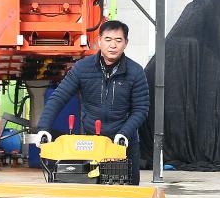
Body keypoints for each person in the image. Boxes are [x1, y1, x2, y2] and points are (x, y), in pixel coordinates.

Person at [37, 20, 149, 185]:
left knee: (126, 192)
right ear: (99, 41)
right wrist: (43, 127)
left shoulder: (136, 72)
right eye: (108, 39)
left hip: (122, 141)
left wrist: (124, 133)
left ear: (126, 43)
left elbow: (141, 109)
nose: (113, 45)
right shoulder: (82, 68)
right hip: (90, 142)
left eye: (118, 40)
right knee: (88, 189)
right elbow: (58, 97)